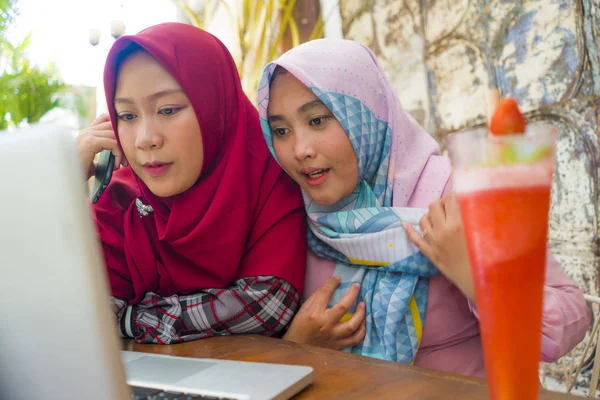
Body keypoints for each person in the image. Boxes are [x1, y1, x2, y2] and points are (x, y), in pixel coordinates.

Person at [257, 38, 591, 376]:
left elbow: (563, 326)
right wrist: (298, 345)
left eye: (317, 121)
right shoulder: (292, 210)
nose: (299, 150)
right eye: (281, 130)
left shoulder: (457, 193)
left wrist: (475, 275)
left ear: (366, 113)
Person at [76, 23, 307, 344]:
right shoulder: (121, 199)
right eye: (127, 116)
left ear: (214, 106)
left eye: (168, 109)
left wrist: (129, 318)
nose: (146, 139)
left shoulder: (267, 177)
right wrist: (68, 180)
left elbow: (266, 305)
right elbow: (76, 312)